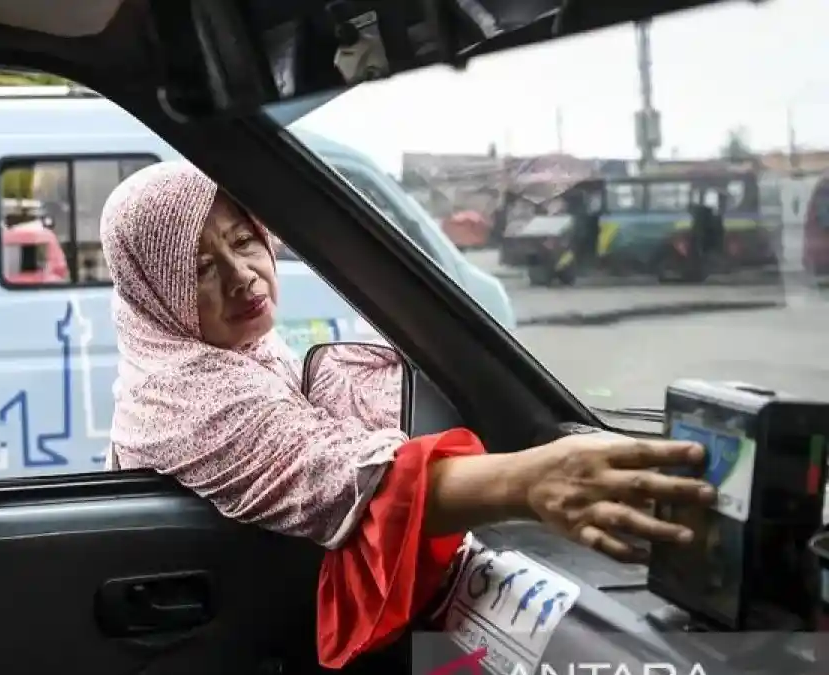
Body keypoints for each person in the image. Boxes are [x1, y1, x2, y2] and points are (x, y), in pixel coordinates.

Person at [99, 161, 716, 669]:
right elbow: (330, 471)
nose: (242, 275)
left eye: (241, 241)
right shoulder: (180, 393)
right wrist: (532, 482)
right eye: (202, 267)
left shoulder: (229, 350)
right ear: (155, 287)